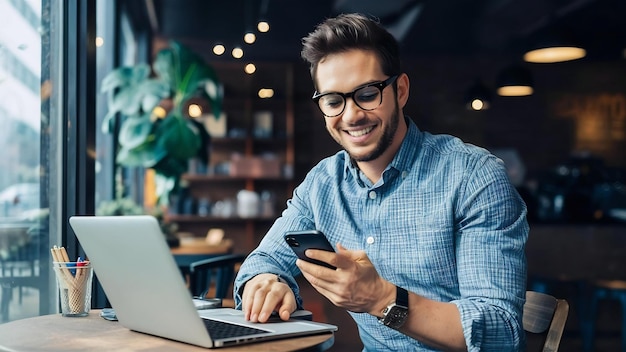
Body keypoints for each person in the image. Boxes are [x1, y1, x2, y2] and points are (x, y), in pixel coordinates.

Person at [233, 13, 528, 351]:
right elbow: (261, 262)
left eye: (367, 93)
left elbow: (501, 333)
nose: (351, 115)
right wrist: (267, 281)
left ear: (400, 90)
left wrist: (381, 298)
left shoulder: (473, 177)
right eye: (333, 101)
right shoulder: (323, 184)